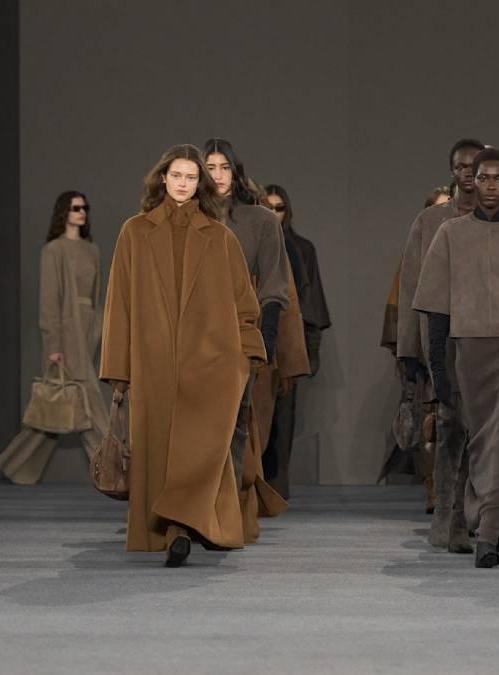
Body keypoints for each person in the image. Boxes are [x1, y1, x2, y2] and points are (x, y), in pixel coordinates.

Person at [100, 144, 265, 567]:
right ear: (162, 177)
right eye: (176, 175)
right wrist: (118, 368)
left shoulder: (220, 237)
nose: (183, 184)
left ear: (200, 184)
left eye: (191, 177)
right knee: (158, 445)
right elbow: (119, 302)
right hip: (152, 361)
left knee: (199, 446)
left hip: (209, 361)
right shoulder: (134, 232)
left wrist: (247, 357)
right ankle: (174, 529)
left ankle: (181, 528)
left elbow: (244, 304)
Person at [412, 147, 499, 568]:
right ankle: (478, 511)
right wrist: (438, 368)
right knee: (479, 442)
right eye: (484, 177)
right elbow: (436, 309)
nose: (490, 185)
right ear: (471, 180)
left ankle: (490, 532)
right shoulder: (450, 234)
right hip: (468, 347)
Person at [203, 139, 301, 538]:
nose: (218, 175)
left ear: (237, 171)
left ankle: (230, 516)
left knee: (238, 427)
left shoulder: (259, 221)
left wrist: (265, 341)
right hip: (192, 338)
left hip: (240, 335)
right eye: (210, 167)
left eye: (224, 167)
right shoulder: (188, 219)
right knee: (197, 430)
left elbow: (275, 287)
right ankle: (197, 514)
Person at [397, 138, 483, 552]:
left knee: (481, 431)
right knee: (450, 425)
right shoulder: (429, 222)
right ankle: (447, 519)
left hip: (488, 339)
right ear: (452, 172)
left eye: (474, 166)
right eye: (461, 166)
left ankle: (470, 516)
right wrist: (408, 354)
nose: (467, 173)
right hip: (442, 337)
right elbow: (410, 287)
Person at [0, 191, 108, 484]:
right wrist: (54, 345)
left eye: (84, 207)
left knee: (57, 408)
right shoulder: (53, 250)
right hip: (65, 332)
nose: (81, 212)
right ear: (63, 212)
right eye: (75, 207)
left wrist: (96, 330)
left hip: (87, 331)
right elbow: (49, 301)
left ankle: (15, 466)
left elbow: (95, 297)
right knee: (89, 401)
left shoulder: (92, 250)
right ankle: (112, 469)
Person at [261, 184, 331, 498]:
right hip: (258, 334)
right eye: (269, 207)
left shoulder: (302, 248)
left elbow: (311, 299)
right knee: (256, 412)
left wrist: (311, 348)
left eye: (279, 208)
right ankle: (254, 485)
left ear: (287, 212)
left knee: (285, 415)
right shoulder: (252, 241)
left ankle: (278, 487)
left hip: (289, 338)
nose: (274, 213)